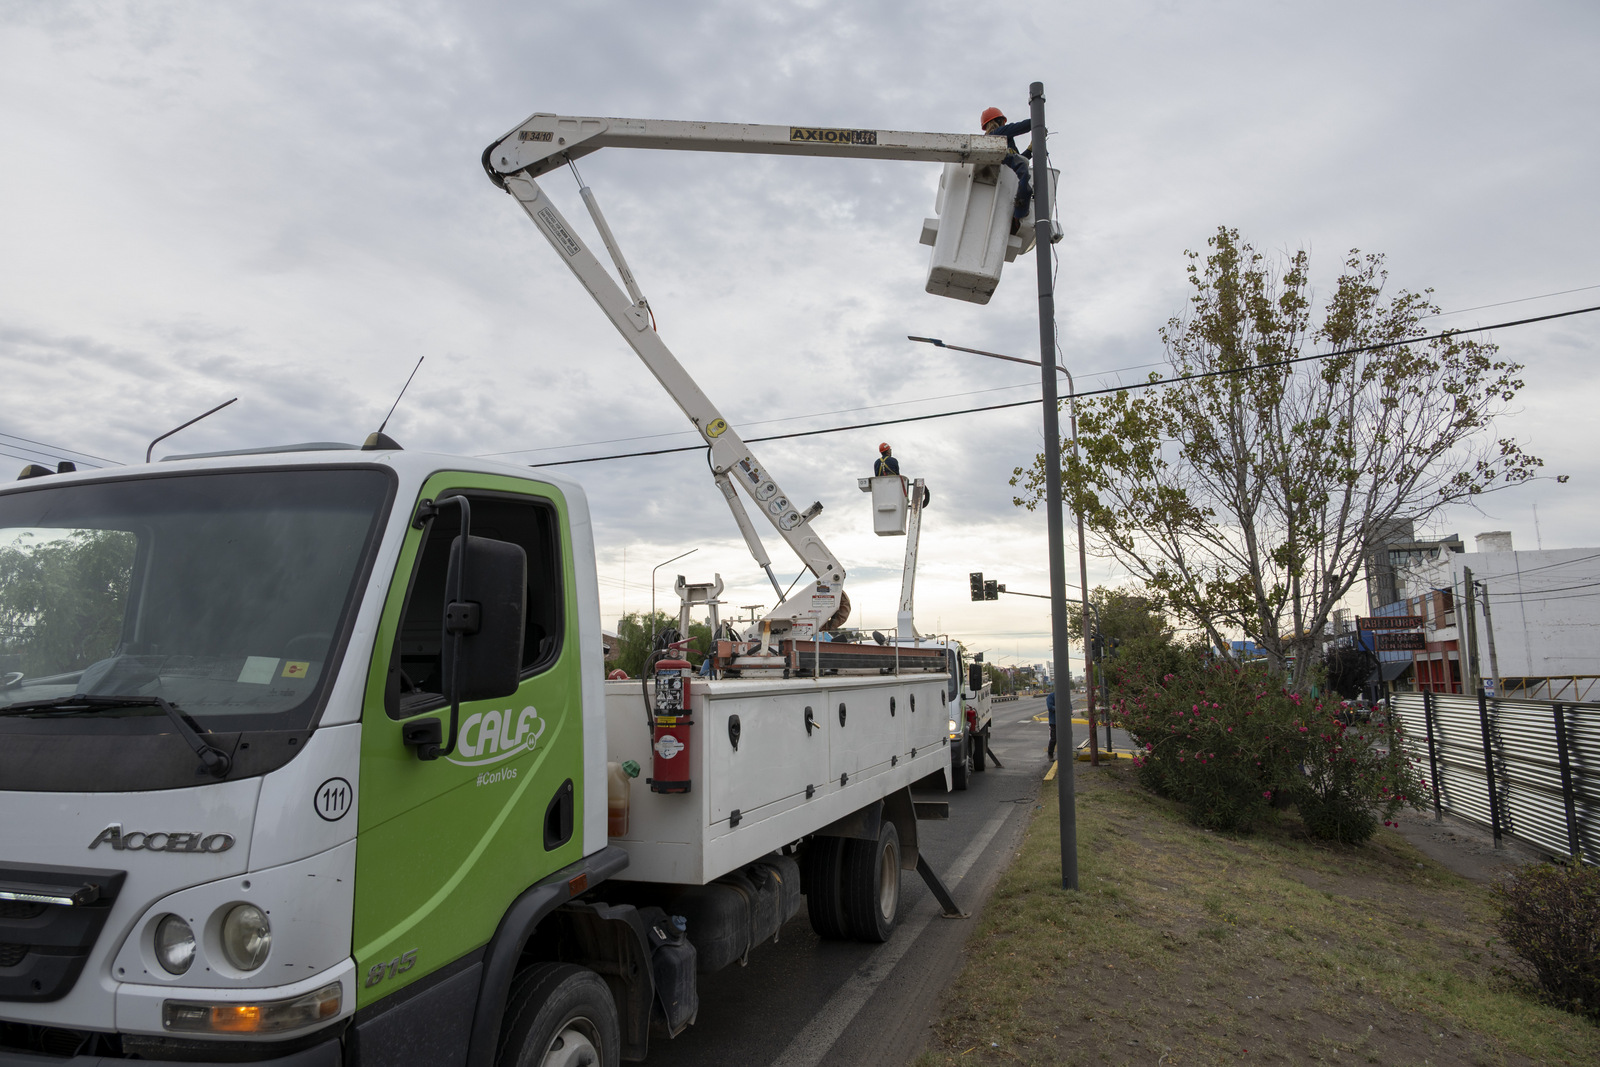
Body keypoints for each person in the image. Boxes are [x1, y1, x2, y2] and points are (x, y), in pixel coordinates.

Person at [980, 106, 1033, 232]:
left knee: (1023, 171)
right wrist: (1036, 120)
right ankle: (1019, 213)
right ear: (998, 121)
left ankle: (1018, 214)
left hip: (1007, 176)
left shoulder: (1007, 142)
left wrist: (1029, 150)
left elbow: (1017, 162)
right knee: (1024, 175)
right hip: (1001, 170)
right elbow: (1020, 127)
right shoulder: (996, 134)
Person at [1045, 689, 1057, 762]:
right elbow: (1050, 707)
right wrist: (1060, 708)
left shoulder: (1065, 696)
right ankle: (1050, 754)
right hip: (1054, 721)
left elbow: (1069, 706)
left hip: (1064, 721)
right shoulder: (1051, 696)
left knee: (1067, 737)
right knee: (1054, 739)